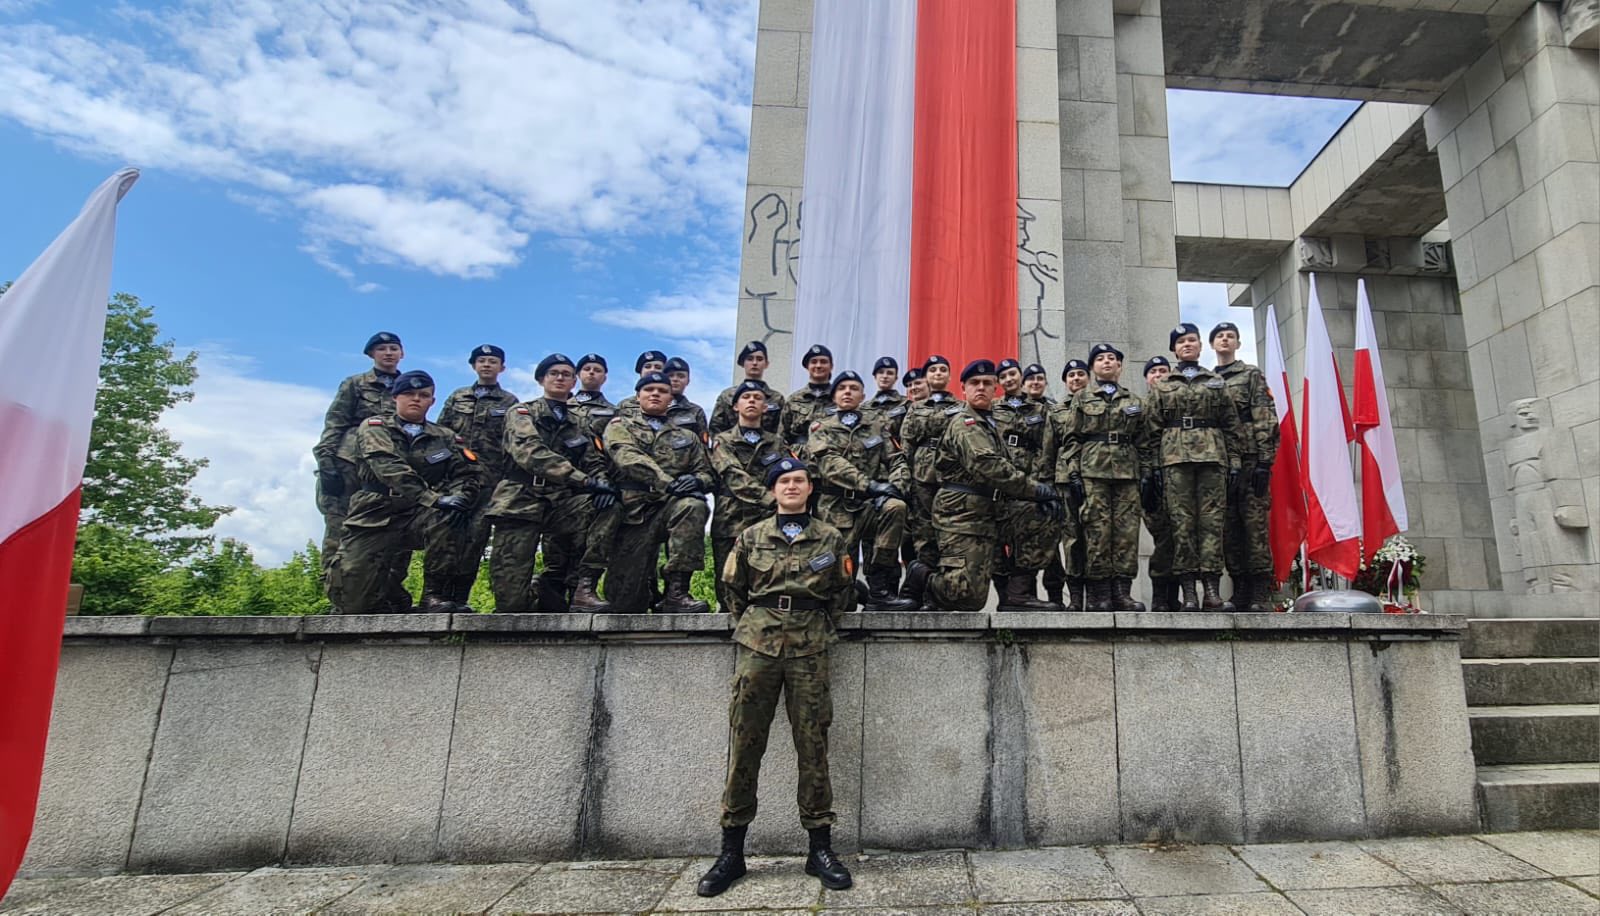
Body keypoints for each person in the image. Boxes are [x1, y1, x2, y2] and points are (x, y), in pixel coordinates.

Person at [696, 457, 855, 898]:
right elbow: (733, 589)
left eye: (799, 480)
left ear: (809, 488)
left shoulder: (830, 537)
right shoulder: (751, 536)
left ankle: (819, 849)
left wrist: (818, 625)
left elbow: (841, 592)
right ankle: (731, 852)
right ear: (772, 490)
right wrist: (753, 625)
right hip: (759, 647)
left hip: (810, 647)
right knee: (745, 743)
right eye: (783, 481)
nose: (791, 486)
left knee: (813, 744)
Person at [903, 360, 1061, 611]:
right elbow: (989, 466)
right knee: (968, 598)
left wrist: (1041, 495)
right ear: (963, 389)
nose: (981, 387)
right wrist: (1037, 490)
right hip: (962, 514)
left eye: (987, 383)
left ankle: (1017, 594)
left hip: (993, 508)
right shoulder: (965, 423)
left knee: (1041, 514)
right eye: (974, 383)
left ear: (995, 388)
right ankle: (921, 575)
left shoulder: (992, 422)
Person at [333, 370, 480, 615]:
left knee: (452, 515)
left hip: (419, 514)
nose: (416, 399)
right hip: (375, 512)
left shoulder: (445, 437)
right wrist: (434, 498)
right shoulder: (374, 427)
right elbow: (388, 467)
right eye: (409, 394)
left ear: (432, 401)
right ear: (395, 397)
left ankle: (435, 595)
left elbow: (467, 474)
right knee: (353, 603)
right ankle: (392, 596)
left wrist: (460, 497)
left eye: (423, 395)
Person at [485, 354, 616, 613]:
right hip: (520, 501)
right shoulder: (522, 412)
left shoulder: (579, 421)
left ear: (574, 381)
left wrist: (603, 484)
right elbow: (531, 453)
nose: (560, 378)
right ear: (541, 379)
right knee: (511, 604)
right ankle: (539, 593)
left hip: (560, 503)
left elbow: (592, 459)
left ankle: (583, 587)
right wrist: (584, 480)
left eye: (566, 374)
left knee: (607, 506)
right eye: (554, 373)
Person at [1145, 324, 1245, 610]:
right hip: (1175, 461)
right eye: (1181, 342)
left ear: (1201, 346)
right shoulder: (1163, 385)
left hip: (1212, 459)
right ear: (1174, 350)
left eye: (1192, 340)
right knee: (1182, 526)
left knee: (1212, 524)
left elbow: (1231, 425)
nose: (1187, 345)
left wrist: (1235, 461)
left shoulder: (1215, 382)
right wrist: (1152, 469)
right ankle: (1188, 592)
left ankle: (1211, 591)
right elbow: (1152, 431)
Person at [804, 371, 918, 610]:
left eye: (854, 388)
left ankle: (879, 589)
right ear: (834, 396)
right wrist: (871, 486)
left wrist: (895, 488)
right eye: (842, 388)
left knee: (895, 508)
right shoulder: (820, 427)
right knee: (840, 593)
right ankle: (851, 591)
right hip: (835, 507)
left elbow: (896, 460)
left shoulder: (876, 426)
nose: (848, 392)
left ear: (863, 396)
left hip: (871, 505)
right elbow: (831, 464)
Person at [603, 371, 715, 613]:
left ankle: (677, 592)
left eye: (662, 391)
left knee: (693, 506)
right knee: (624, 602)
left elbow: (707, 473)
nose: (656, 394)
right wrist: (668, 482)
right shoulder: (619, 426)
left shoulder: (687, 436)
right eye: (649, 390)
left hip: (670, 507)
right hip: (632, 512)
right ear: (638, 396)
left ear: (670, 398)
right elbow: (627, 457)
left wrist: (696, 481)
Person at [1056, 344, 1150, 611]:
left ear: (1120, 366)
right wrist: (1074, 473)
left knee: (1126, 534)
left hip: (1127, 474)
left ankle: (1122, 593)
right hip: (1092, 473)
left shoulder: (1135, 401)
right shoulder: (1082, 399)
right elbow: (1072, 438)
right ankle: (1100, 595)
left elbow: (1144, 442)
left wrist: (1146, 474)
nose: (1107, 362)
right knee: (1097, 532)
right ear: (1093, 368)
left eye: (1112, 358)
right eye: (1100, 359)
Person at [313, 331, 402, 602]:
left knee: (387, 532)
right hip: (349, 463)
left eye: (393, 348)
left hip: (388, 467)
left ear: (401, 354)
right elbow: (335, 422)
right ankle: (336, 595)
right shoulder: (355, 384)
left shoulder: (408, 387)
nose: (388, 353)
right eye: (382, 349)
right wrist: (326, 462)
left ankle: (384, 594)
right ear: (371, 354)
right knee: (339, 530)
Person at [435, 344, 519, 604]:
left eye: (492, 361)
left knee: (475, 540)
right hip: (455, 480)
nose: (487, 365)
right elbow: (439, 433)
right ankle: (436, 595)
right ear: (473, 365)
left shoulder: (509, 402)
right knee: (446, 536)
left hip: (489, 482)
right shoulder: (458, 397)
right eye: (482, 360)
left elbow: (512, 443)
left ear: (502, 368)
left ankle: (460, 597)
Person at [1211, 321, 1279, 612]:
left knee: (1254, 526)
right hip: (1221, 461)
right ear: (1212, 344)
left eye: (1231, 336)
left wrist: (1265, 460)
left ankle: (1260, 591)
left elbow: (1264, 415)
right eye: (1220, 336)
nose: (1225, 340)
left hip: (1250, 458)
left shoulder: (1250, 374)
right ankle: (1239, 588)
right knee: (1229, 527)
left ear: (1238, 343)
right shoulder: (1208, 379)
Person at [543, 352, 620, 605]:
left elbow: (601, 454)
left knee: (584, 542)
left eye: (597, 369)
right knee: (555, 552)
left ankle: (583, 589)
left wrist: (604, 483)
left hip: (590, 489)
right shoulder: (547, 409)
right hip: (548, 490)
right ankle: (547, 594)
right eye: (586, 368)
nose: (591, 373)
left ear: (605, 376)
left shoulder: (613, 412)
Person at [709, 381, 787, 613]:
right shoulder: (722, 440)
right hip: (731, 517)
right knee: (728, 583)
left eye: (757, 397)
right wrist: (771, 499)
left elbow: (786, 476)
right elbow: (732, 474)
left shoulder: (777, 442)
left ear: (766, 407)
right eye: (746, 397)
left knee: (769, 579)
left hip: (768, 521)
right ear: (735, 406)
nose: (751, 400)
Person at [993, 359, 1065, 610]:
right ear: (998, 382)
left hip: (1032, 481)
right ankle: (1008, 598)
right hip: (1002, 482)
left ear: (1020, 376)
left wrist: (1042, 483)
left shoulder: (1040, 408)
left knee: (1037, 537)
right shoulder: (993, 408)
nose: (1009, 379)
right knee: (999, 544)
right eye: (1003, 376)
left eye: (1012, 374)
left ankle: (1040, 595)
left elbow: (1048, 446)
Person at [898, 355, 961, 570]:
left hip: (952, 474)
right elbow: (907, 445)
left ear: (950, 376)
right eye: (933, 370)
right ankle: (926, 580)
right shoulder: (916, 408)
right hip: (922, 475)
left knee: (951, 526)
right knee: (923, 529)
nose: (938, 373)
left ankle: (949, 579)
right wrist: (906, 478)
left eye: (943, 370)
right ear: (925, 377)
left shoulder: (962, 407)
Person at [1051, 359, 1092, 609]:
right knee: (1072, 538)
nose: (1076, 378)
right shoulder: (1056, 411)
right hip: (1066, 480)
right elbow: (1049, 449)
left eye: (1080, 374)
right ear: (1065, 381)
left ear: (1088, 378)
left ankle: (1098, 594)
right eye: (1071, 375)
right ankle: (1076, 596)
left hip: (1098, 476)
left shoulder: (1099, 404)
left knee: (1097, 536)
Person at [1140, 356, 1179, 611]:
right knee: (1164, 538)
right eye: (1153, 371)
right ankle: (1160, 597)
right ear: (1146, 379)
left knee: (1180, 537)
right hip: (1151, 482)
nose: (1158, 375)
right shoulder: (1139, 407)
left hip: (1177, 479)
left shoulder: (1178, 403)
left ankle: (1174, 596)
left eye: (1163, 370)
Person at [711, 341, 786, 435]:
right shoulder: (727, 396)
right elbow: (716, 428)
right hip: (732, 443)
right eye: (750, 359)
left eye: (759, 359)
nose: (754, 363)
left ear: (766, 364)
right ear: (743, 363)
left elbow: (783, 430)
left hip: (768, 443)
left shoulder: (777, 398)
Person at [784, 344, 835, 449]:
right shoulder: (794, 400)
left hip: (832, 454)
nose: (818, 365)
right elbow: (782, 435)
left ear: (831, 366)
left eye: (823, 362)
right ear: (807, 366)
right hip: (799, 455)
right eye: (814, 362)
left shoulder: (839, 399)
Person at [862, 356, 910, 439]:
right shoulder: (863, 408)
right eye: (881, 372)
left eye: (890, 373)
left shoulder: (906, 404)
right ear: (875, 376)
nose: (885, 376)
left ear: (896, 378)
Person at [663, 356, 710, 438]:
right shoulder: (651, 406)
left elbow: (702, 444)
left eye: (681, 376)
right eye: (670, 375)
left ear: (688, 381)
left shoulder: (696, 411)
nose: (675, 379)